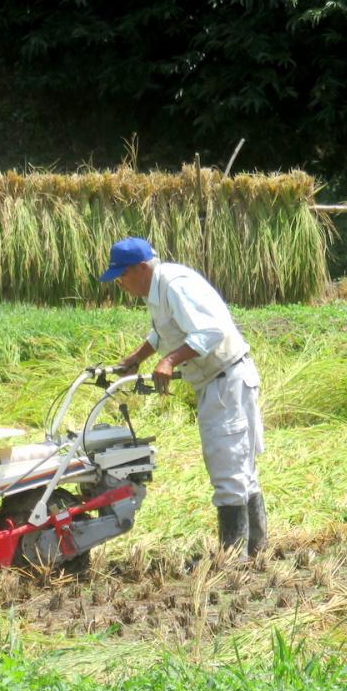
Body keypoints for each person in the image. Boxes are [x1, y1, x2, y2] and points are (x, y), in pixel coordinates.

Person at [100, 237, 267, 557]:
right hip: (217, 381)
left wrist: (170, 360)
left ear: (140, 268)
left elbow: (210, 331)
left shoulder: (175, 285)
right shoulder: (157, 288)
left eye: (122, 275)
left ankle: (234, 559)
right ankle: (256, 548)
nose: (120, 283)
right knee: (239, 468)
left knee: (228, 470)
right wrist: (139, 356)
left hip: (226, 381)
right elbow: (165, 331)